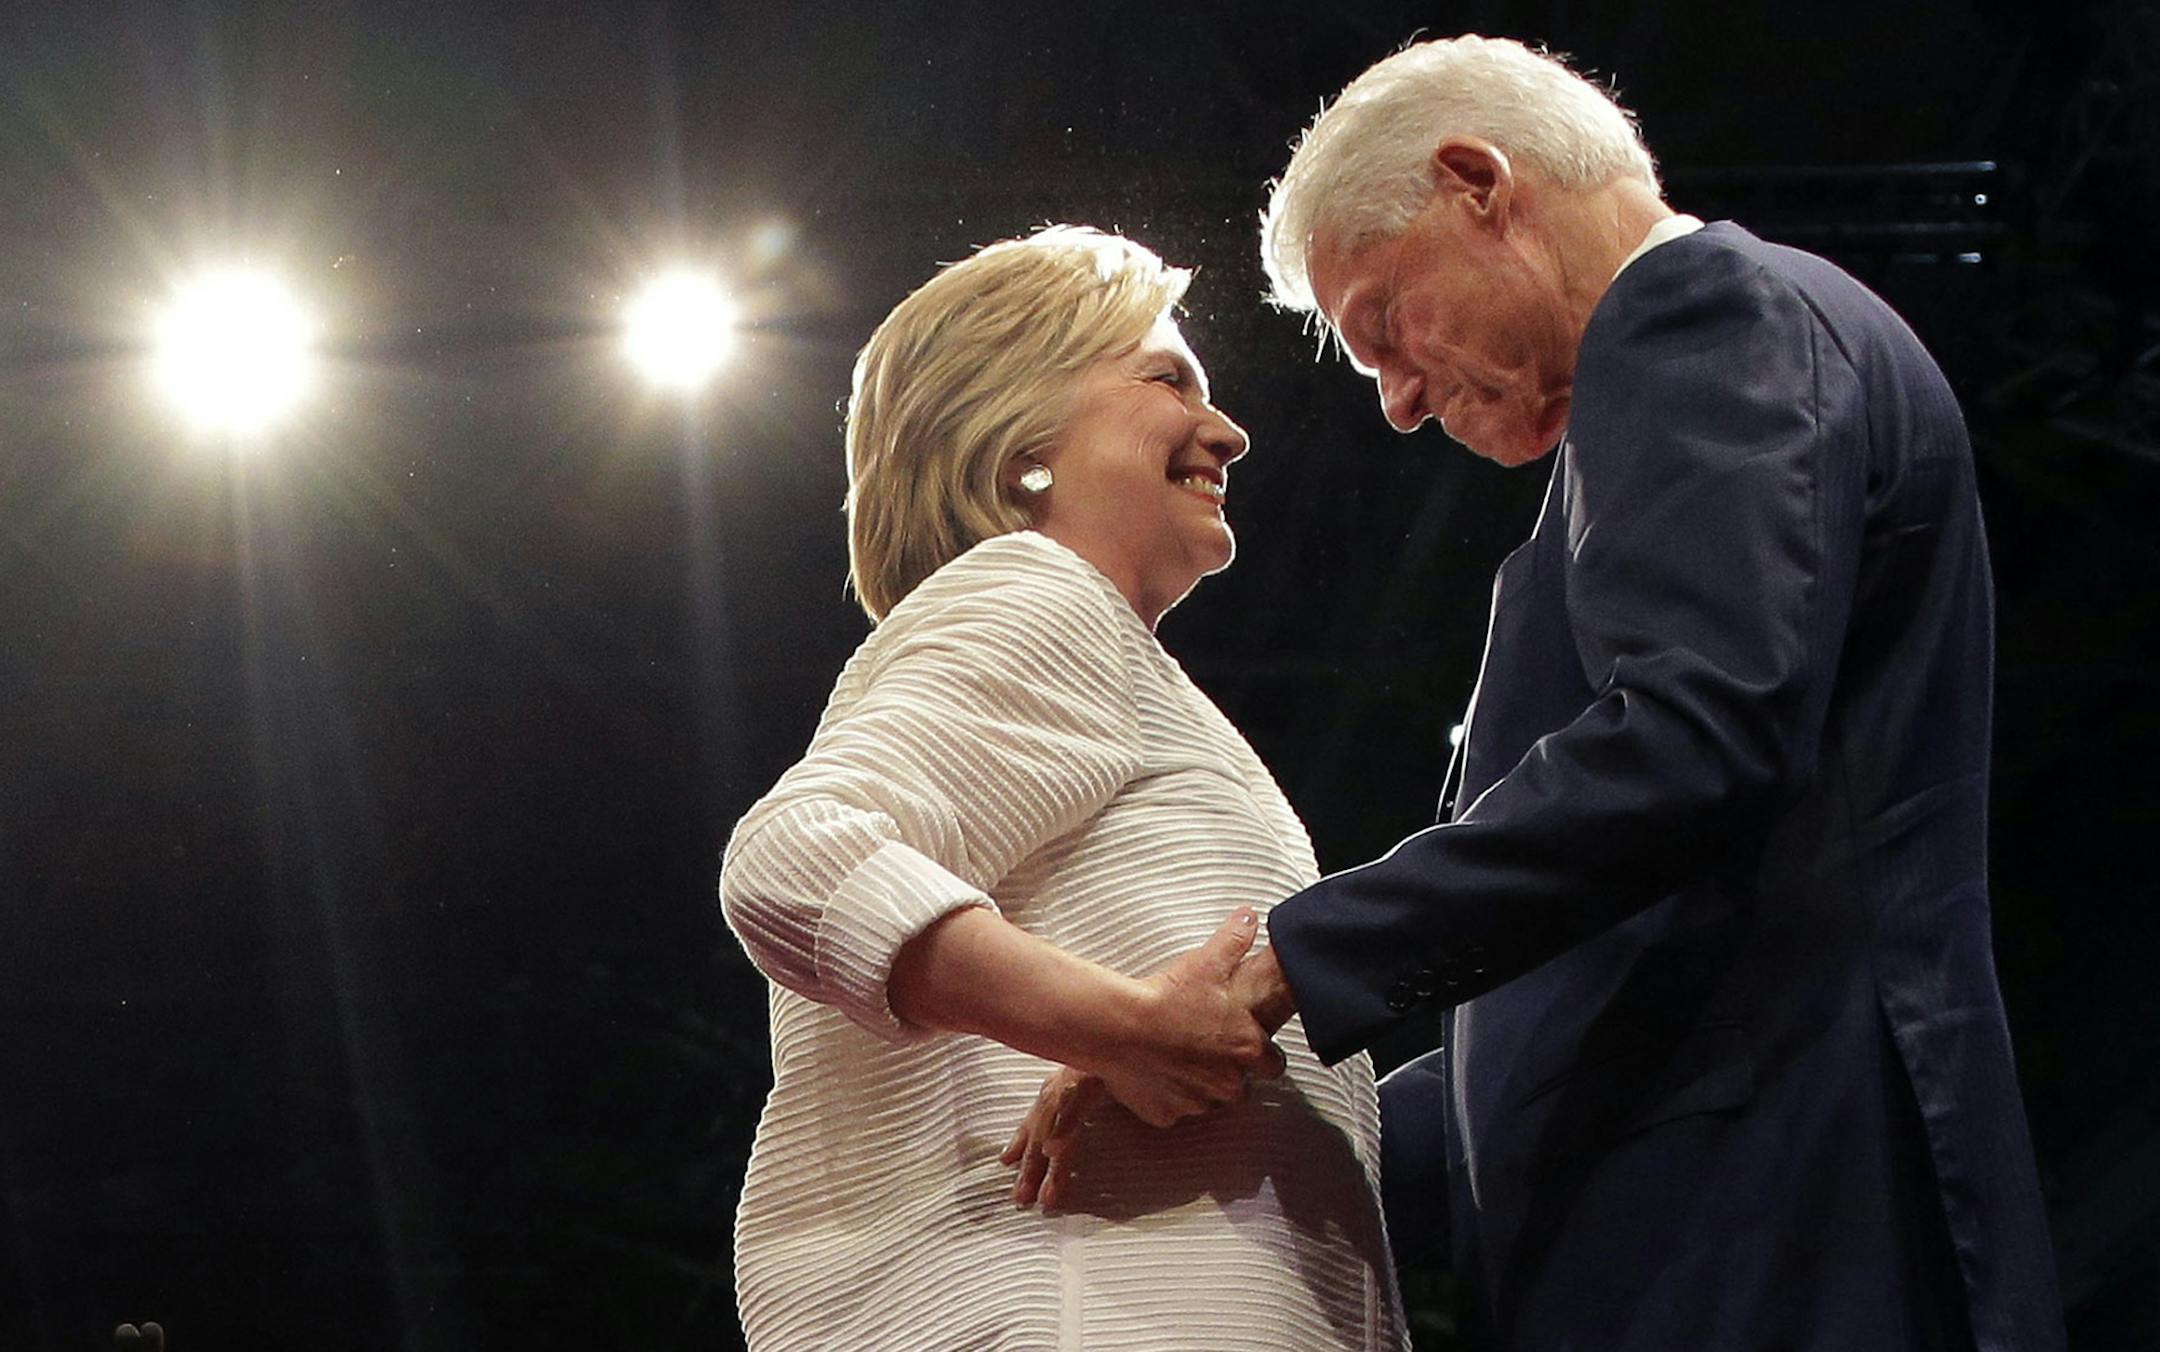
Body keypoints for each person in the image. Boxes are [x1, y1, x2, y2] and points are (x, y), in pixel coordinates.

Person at [1214, 33, 2058, 1352]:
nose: (1391, 401)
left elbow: (1700, 734)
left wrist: (1291, 961)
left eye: (1383, 323)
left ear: (1476, 183)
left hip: (1777, 1238)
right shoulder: (1669, 409)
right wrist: (1286, 1140)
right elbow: (1581, 989)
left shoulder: (1695, 314)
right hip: (1731, 1227)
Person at [719, 226, 1403, 1352]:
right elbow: (796, 856)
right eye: (1166, 378)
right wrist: (1119, 1027)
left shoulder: (1114, 658)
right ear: (1017, 445)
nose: (1227, 429)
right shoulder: (1040, 594)